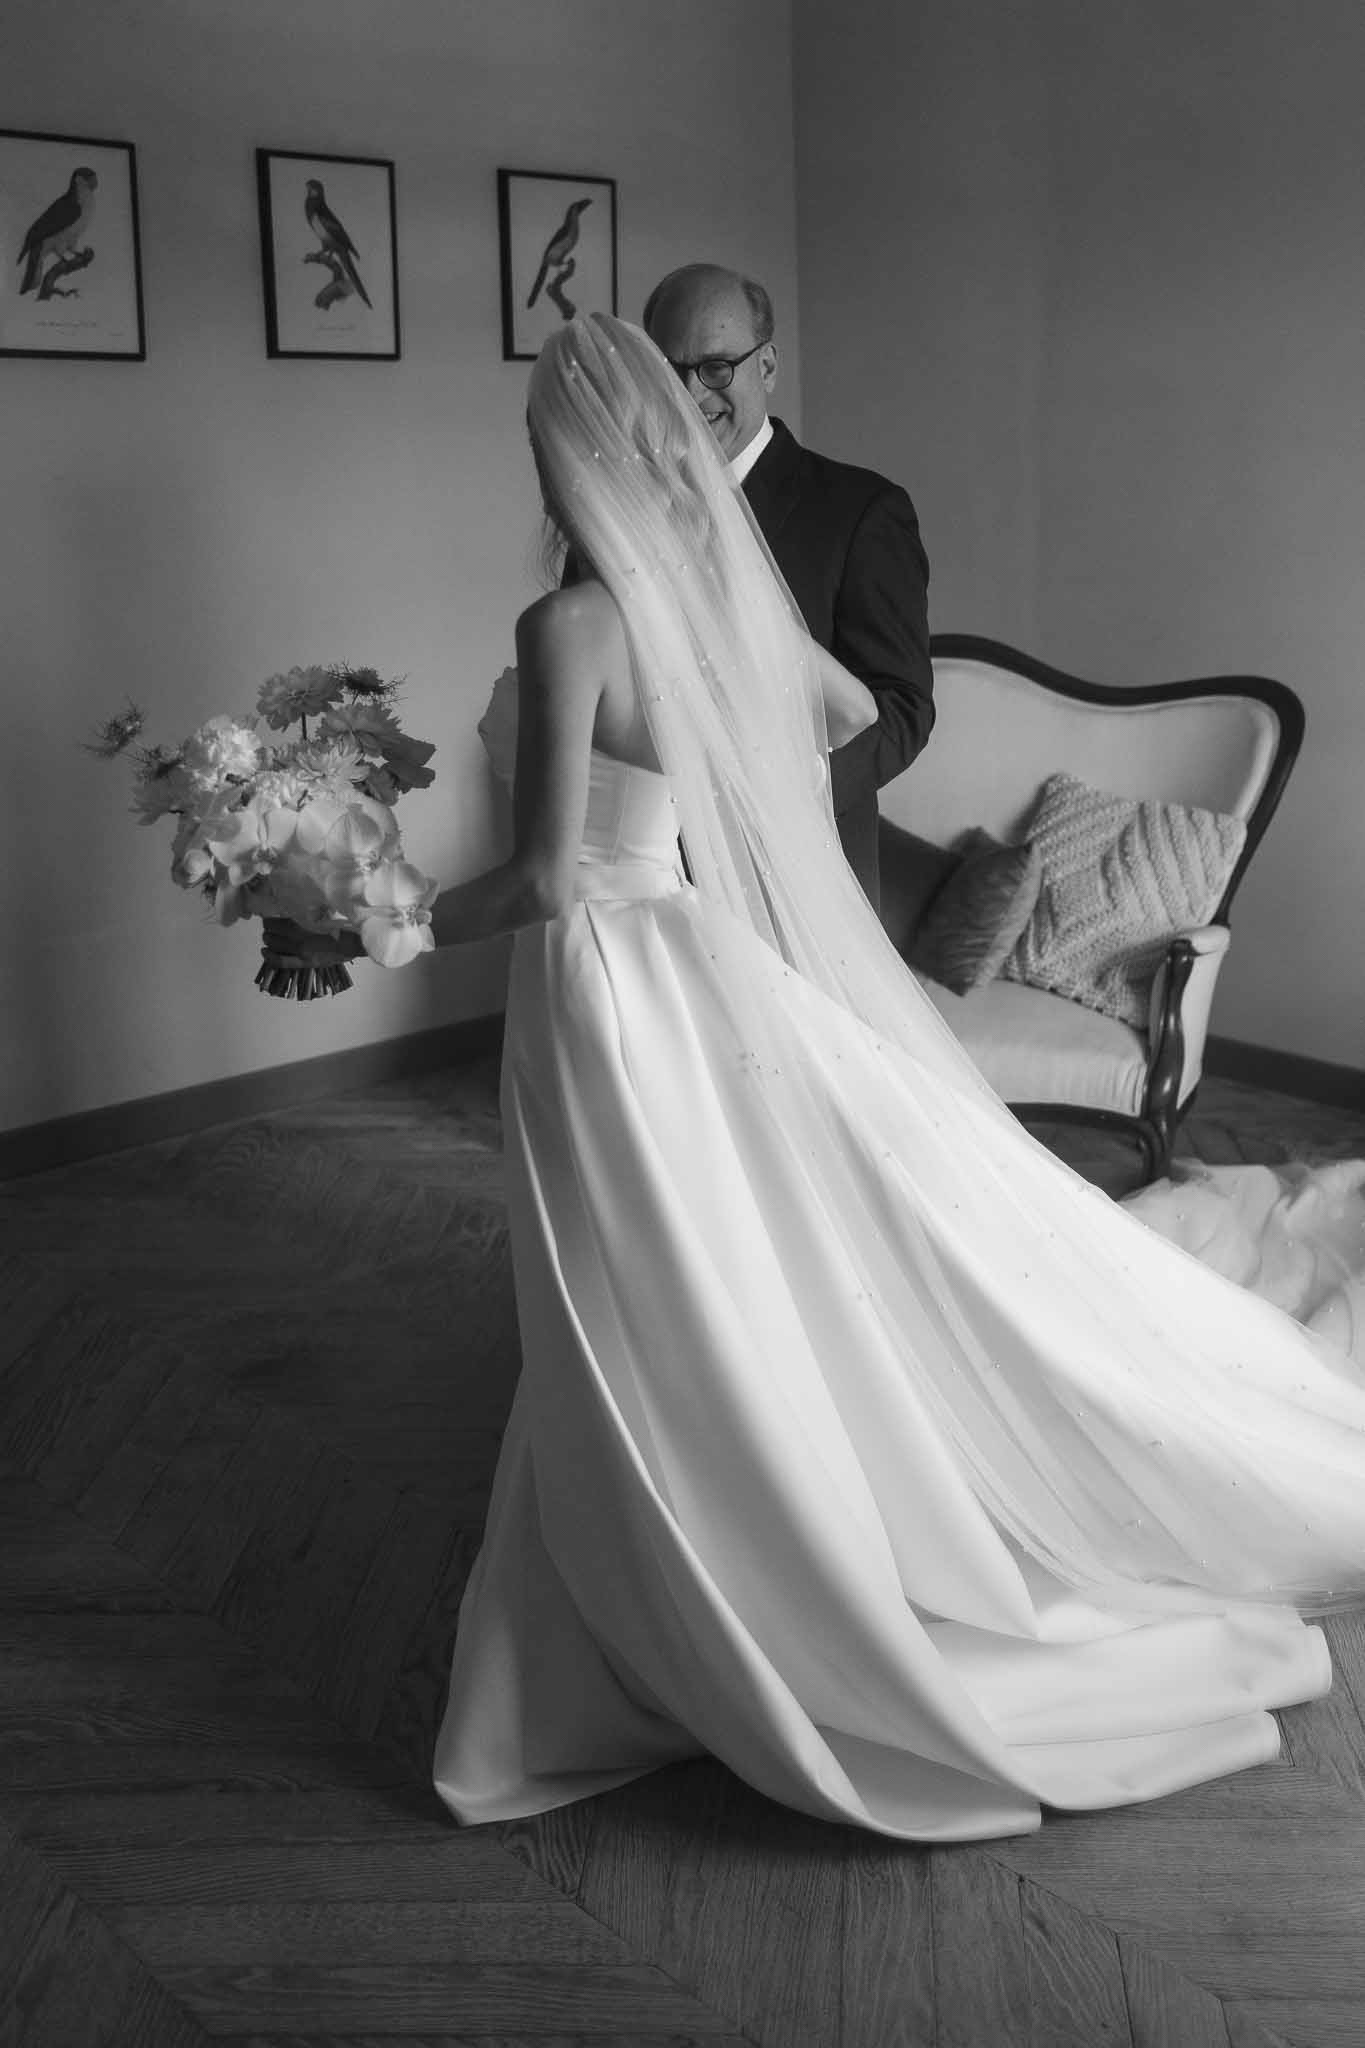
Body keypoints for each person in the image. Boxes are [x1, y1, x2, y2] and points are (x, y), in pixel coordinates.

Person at [269, 314, 1365, 1843]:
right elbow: (849, 715)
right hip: (694, 950)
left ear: (559, 458)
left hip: (603, 983)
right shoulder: (722, 598)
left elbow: (534, 883)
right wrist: (732, 787)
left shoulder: (570, 624)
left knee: (639, 1274)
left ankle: (681, 1560)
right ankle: (750, 1512)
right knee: (710, 1260)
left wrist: (362, 918)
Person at [642, 263, 932, 912]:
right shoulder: (618, 509)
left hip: (805, 880)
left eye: (716, 367)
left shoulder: (860, 510)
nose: (692, 395)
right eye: (669, 370)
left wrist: (775, 797)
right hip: (650, 877)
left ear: (766, 367)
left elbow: (903, 708)